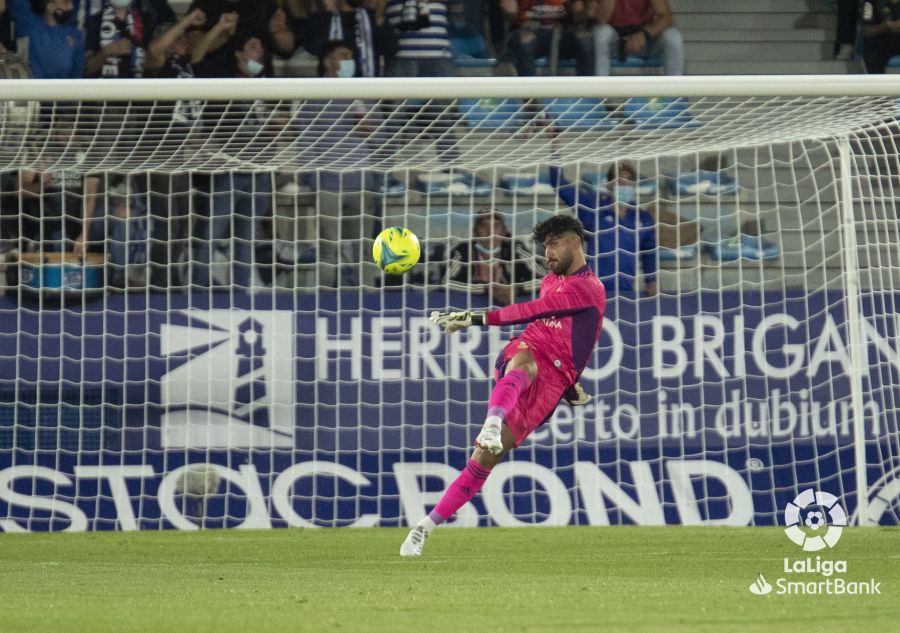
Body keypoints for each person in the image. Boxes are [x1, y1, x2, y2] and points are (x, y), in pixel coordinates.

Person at [400, 214, 605, 556]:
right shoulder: (552, 279)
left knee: (485, 457)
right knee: (523, 360)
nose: (547, 253)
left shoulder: (588, 287)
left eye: (553, 244)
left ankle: (426, 525)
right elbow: (546, 325)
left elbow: (540, 313)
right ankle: (491, 423)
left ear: (574, 242)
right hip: (530, 350)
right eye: (545, 247)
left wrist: (571, 382)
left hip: (552, 380)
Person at [550, 159, 657, 297]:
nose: (625, 184)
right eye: (620, 181)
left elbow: (649, 253)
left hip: (625, 293)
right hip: (591, 292)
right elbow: (559, 184)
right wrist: (555, 150)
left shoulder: (643, 218)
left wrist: (652, 280)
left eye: (629, 180)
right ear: (609, 185)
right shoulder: (594, 207)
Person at [443, 208, 544, 306]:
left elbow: (548, 279)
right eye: (484, 226)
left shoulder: (515, 249)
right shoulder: (463, 251)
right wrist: (487, 288)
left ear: (504, 231)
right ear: (475, 232)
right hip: (473, 306)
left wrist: (516, 289)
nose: (490, 232)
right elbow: (446, 282)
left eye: (496, 226)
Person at [304, 0, 398, 76]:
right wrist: (328, 12)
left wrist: (379, 18)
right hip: (331, 90)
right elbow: (313, 48)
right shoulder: (322, 17)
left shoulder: (372, 17)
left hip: (367, 91)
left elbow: (390, 50)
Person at [501, 0, 594, 76]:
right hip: (530, 30)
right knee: (524, 40)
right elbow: (510, 16)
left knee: (585, 39)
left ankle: (586, 94)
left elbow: (579, 17)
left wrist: (583, 10)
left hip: (562, 31)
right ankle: (529, 96)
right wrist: (509, 10)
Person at [592, 0, 682, 76]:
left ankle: (675, 93)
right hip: (616, 43)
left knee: (673, 36)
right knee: (601, 32)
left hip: (644, 42)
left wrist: (644, 34)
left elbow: (666, 17)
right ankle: (600, 93)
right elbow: (601, 20)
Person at [12, 0, 85, 78]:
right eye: (66, 2)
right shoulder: (28, 24)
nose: (71, 7)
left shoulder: (75, 34)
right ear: (49, 6)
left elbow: (77, 73)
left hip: (64, 89)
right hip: (31, 88)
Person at [84, 0, 151, 78]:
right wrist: (106, 52)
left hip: (138, 87)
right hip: (105, 88)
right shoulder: (95, 21)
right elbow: (87, 69)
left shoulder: (146, 20)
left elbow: (154, 64)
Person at [862, 0, 900, 73]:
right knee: (872, 51)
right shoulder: (869, 3)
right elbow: (866, 30)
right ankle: (876, 82)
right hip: (880, 41)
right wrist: (886, 26)